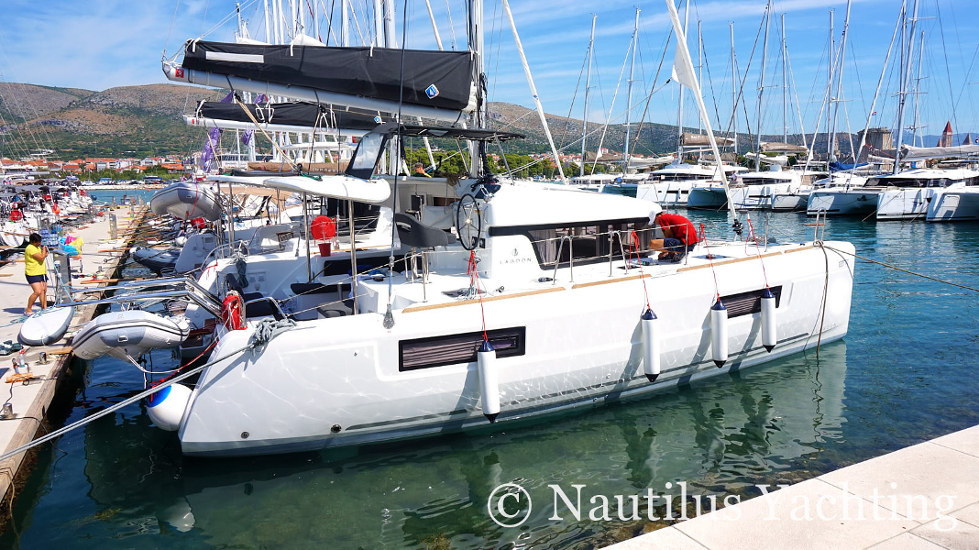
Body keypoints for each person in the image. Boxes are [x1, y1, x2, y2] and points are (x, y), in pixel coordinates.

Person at [24, 233, 48, 314]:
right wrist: (44, 250)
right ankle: (28, 308)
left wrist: (44, 252)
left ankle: (44, 307)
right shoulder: (30, 248)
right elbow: (41, 258)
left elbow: (44, 255)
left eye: (40, 242)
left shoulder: (37, 247)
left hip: (41, 272)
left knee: (43, 291)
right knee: (37, 291)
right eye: (37, 242)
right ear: (33, 241)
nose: (39, 243)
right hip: (32, 273)